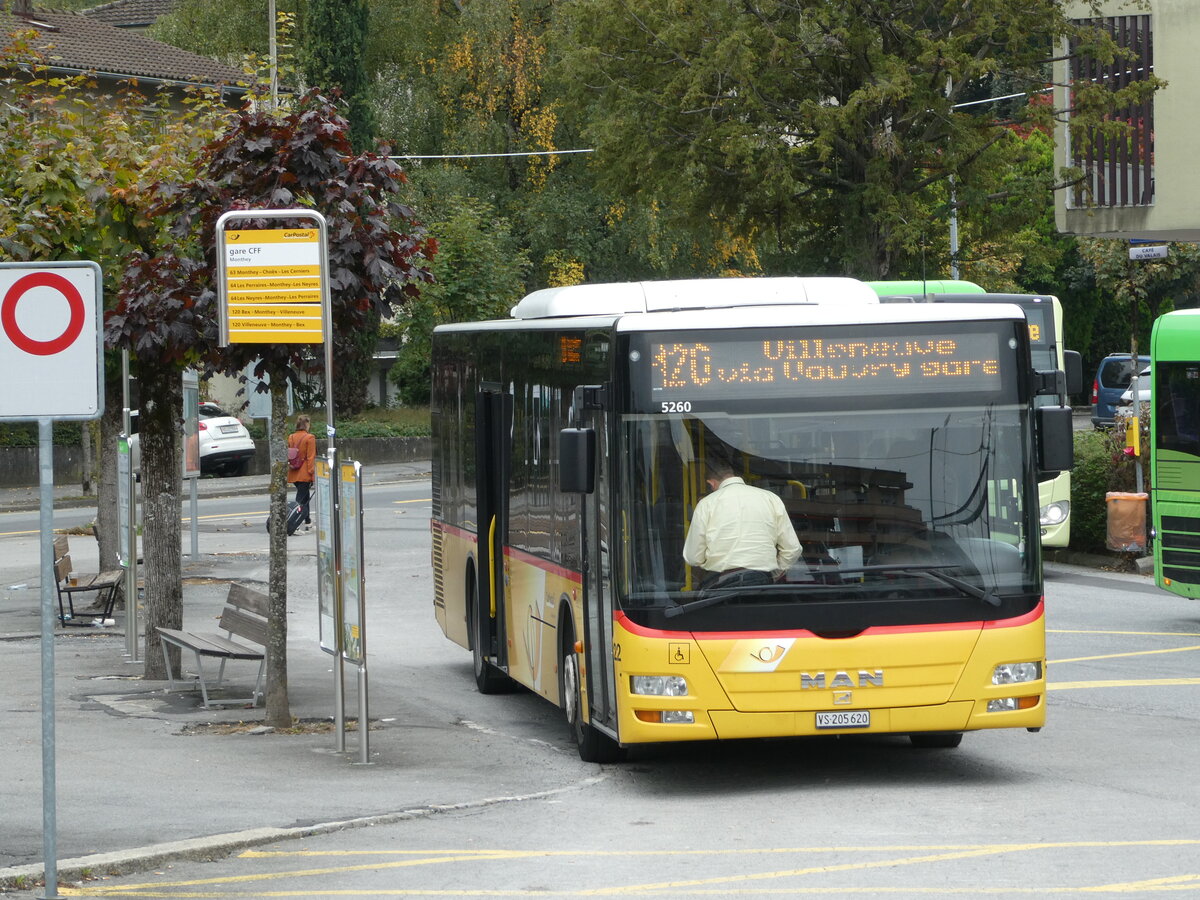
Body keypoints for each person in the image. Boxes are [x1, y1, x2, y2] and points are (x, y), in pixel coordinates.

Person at [682, 456, 801, 587]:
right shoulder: (771, 499)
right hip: (762, 581)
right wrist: (774, 573)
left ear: (711, 483)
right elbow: (793, 549)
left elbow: (693, 557)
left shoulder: (706, 504)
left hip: (720, 582)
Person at [287, 415, 317, 533]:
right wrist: (312, 474)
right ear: (307, 424)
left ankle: (308, 521)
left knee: (305, 497)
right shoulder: (310, 438)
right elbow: (311, 457)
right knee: (300, 500)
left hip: (294, 471)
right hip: (305, 472)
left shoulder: (291, 437)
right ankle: (294, 524)